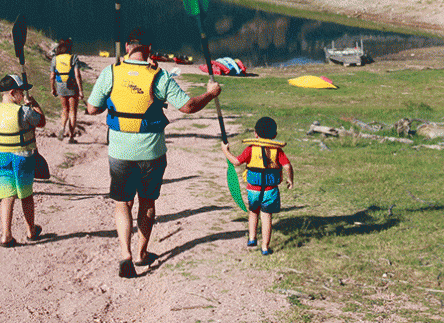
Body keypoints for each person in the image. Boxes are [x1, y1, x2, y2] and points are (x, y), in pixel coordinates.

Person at [85, 27, 221, 278]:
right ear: (149, 49)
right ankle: (141, 254)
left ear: (127, 47)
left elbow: (92, 109)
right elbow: (188, 107)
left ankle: (124, 254)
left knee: (122, 203)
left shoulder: (110, 73)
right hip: (151, 152)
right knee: (147, 202)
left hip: (120, 151)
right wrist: (211, 94)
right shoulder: (160, 76)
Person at [0, 74, 46, 247]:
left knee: (7, 196)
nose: (24, 95)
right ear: (13, 93)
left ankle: (6, 235)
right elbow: (41, 122)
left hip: (0, 157)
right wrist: (35, 104)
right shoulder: (24, 111)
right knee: (26, 195)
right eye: (22, 92)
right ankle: (31, 230)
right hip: (22, 157)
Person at [222, 116, 293, 255]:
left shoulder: (250, 149)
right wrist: (290, 180)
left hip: (253, 190)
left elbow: (236, 162)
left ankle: (252, 238)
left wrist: (226, 151)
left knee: (253, 212)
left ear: (255, 133)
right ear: (275, 135)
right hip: (270, 190)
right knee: (266, 216)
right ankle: (265, 247)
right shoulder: (277, 150)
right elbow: (288, 166)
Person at [51, 38, 82, 142]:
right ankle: (71, 137)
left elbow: (52, 76)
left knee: (65, 109)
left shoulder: (55, 59)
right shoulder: (73, 58)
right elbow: (77, 75)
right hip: (72, 85)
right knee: (73, 111)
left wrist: (53, 88)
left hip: (60, 85)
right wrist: (81, 91)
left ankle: (62, 128)